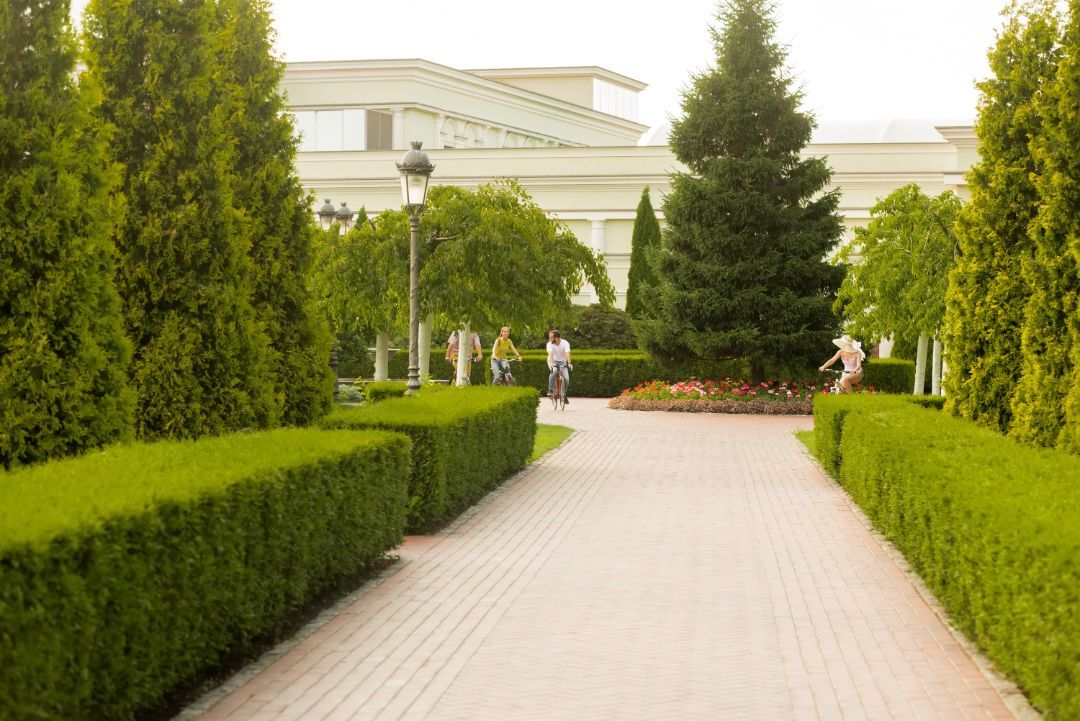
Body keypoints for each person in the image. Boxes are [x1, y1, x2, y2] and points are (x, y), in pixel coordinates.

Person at [546, 329, 573, 403]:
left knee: (566, 379)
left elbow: (567, 353)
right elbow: (551, 354)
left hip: (562, 362)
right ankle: (551, 390)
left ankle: (564, 395)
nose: (549, 339)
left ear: (556, 338)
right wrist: (551, 363)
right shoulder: (549, 344)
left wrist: (569, 363)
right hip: (552, 361)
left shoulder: (565, 343)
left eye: (551, 337)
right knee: (554, 371)